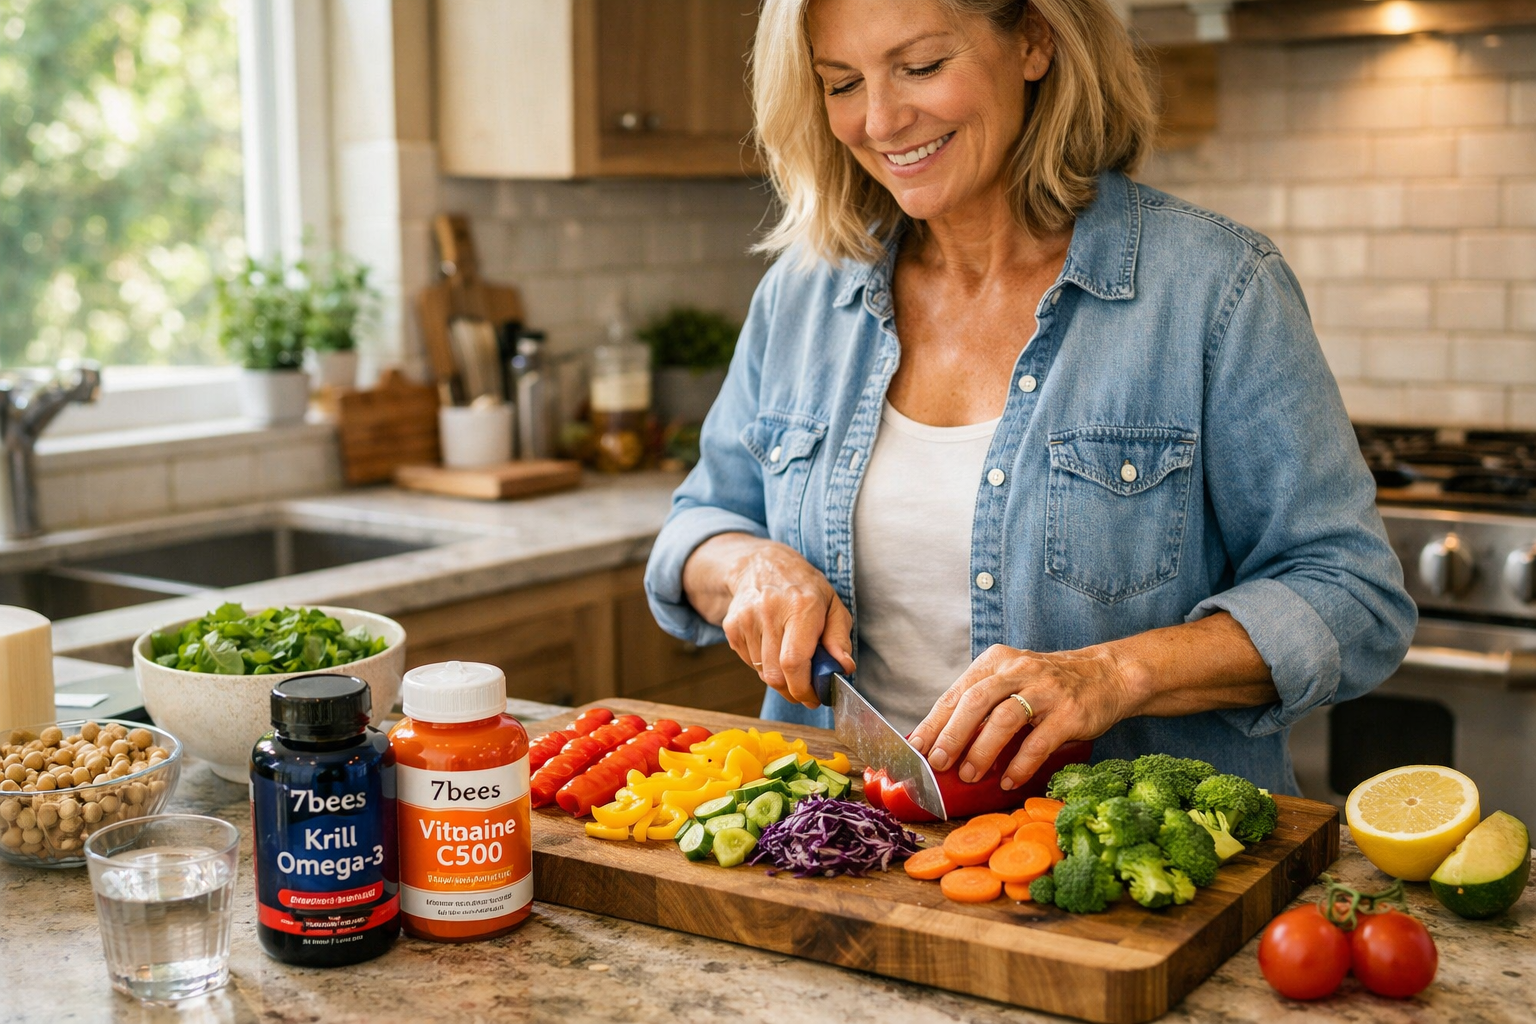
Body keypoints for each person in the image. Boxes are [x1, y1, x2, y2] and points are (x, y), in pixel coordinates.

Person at [643, 0, 1415, 795]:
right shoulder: (803, 294)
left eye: (921, 67)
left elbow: (1351, 595)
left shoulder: (1216, 289)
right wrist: (749, 567)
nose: (879, 119)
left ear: (1035, 42)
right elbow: (699, 526)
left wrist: (1114, 674)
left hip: (1129, 875)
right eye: (841, 83)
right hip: (850, 858)